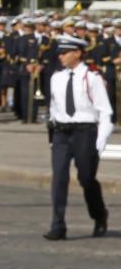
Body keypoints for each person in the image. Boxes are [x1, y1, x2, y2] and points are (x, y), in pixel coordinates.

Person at [44, 35, 112, 240]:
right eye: (60, 52)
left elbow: (105, 111)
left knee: (86, 178)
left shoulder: (92, 78)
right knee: (59, 178)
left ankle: (99, 215)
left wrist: (100, 141)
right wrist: (52, 135)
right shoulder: (57, 77)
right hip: (61, 133)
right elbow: (54, 108)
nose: (61, 56)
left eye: (65, 52)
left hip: (85, 132)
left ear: (78, 53)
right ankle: (58, 225)